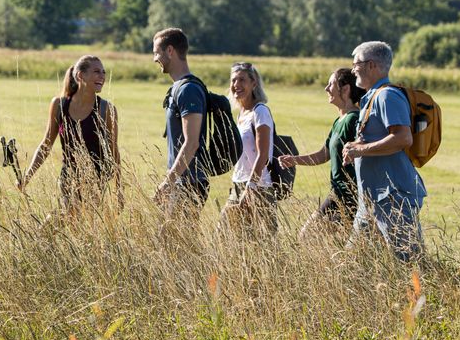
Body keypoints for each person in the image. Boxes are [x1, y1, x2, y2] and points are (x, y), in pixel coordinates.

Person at [342, 41, 426, 262]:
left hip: (393, 198)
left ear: (371, 66)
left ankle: (427, 298)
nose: (353, 70)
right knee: (353, 264)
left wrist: (361, 150)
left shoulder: (387, 96)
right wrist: (356, 146)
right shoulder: (372, 96)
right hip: (371, 199)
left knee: (410, 262)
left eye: (356, 64)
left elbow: (402, 138)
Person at [18, 55, 122, 213]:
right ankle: (39, 236)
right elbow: (46, 144)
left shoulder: (106, 109)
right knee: (70, 216)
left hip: (96, 178)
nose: (102, 76)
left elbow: (114, 151)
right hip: (68, 175)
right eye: (96, 71)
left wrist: (119, 190)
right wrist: (27, 176)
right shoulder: (59, 105)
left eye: (103, 72)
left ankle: (39, 236)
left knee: (72, 217)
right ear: (81, 75)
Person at [279, 68, 364, 238]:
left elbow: (363, 149)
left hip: (348, 195)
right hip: (337, 193)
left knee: (307, 236)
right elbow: (323, 155)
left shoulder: (352, 119)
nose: (326, 88)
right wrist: (294, 159)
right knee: (320, 239)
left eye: (331, 84)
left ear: (345, 89)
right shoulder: (339, 121)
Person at [152, 28, 209, 217]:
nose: (154, 59)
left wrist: (168, 182)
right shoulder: (179, 88)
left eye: (156, 53)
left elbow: (191, 143)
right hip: (182, 180)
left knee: (172, 241)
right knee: (170, 241)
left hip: (190, 182)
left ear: (170, 51)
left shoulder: (188, 90)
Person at [219, 62, 277, 234]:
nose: (237, 85)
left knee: (263, 243)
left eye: (242, 80)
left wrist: (250, 187)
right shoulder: (241, 115)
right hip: (238, 184)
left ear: (254, 83)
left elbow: (263, 154)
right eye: (234, 80)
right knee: (225, 234)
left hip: (259, 186)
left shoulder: (260, 112)